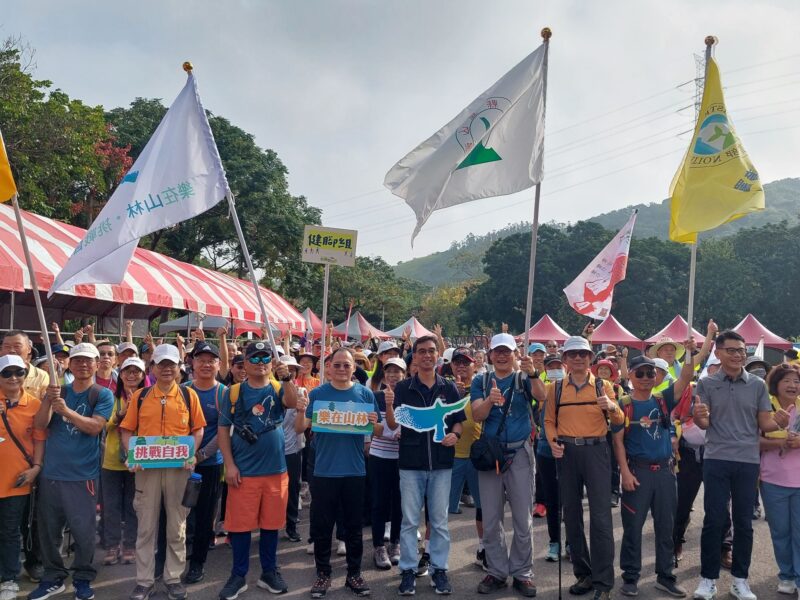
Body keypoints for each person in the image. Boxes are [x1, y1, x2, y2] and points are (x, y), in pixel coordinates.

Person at [691, 330, 790, 600]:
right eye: (732, 350)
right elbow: (704, 424)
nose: (737, 355)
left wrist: (779, 422)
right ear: (719, 352)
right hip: (716, 459)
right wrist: (699, 417)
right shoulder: (707, 384)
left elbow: (764, 424)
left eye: (741, 351)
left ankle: (740, 580)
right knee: (714, 520)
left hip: (747, 461)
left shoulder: (757, 385)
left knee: (744, 523)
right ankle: (707, 579)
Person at [120, 344, 206, 600]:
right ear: (153, 368)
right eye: (161, 364)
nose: (167, 369)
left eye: (171, 364)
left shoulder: (189, 396)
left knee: (176, 527)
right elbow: (127, 430)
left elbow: (198, 429)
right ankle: (144, 581)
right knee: (146, 526)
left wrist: (193, 452)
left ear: (179, 367)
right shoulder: (141, 396)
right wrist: (131, 455)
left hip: (178, 468)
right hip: (146, 469)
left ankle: (172, 578)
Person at [29, 343, 114, 600]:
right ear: (70, 364)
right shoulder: (58, 391)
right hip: (52, 474)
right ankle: (53, 576)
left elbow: (95, 427)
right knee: (48, 530)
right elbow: (40, 426)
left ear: (97, 364)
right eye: (77, 360)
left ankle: (83, 577)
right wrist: (48, 399)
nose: (83, 365)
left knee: (84, 532)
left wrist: (65, 410)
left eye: (88, 361)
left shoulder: (102, 394)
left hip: (83, 476)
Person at [216, 341, 298, 599]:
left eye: (266, 358)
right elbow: (222, 431)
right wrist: (229, 464)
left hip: (276, 470)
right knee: (240, 527)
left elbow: (294, 402)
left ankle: (269, 572)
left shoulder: (277, 387)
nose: (260, 363)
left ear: (272, 363)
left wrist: (286, 379)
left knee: (271, 525)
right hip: (244, 471)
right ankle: (238, 575)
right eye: (255, 358)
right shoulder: (232, 392)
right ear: (245, 363)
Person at [544, 335, 623, 600]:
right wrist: (552, 441)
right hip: (566, 451)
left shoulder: (604, 385)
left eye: (583, 354)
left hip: (597, 451)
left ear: (591, 358)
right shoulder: (555, 388)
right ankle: (584, 574)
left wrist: (611, 406)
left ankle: (603, 582)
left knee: (601, 518)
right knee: (572, 515)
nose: (578, 358)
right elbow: (549, 420)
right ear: (565, 359)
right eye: (573, 354)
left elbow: (619, 418)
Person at [384, 335, 464, 597]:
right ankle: (407, 571)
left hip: (441, 463)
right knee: (409, 521)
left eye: (431, 351)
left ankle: (439, 569)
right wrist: (388, 406)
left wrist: (456, 434)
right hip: (410, 463)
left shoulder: (449, 388)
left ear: (437, 355)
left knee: (439, 521)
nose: (427, 356)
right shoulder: (404, 388)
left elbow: (458, 421)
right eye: (422, 352)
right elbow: (394, 425)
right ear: (415, 357)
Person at [298, 347, 379, 599]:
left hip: (354, 470)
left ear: (354, 368)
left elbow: (377, 431)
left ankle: (353, 574)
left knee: (354, 527)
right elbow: (299, 428)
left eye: (347, 365)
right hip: (323, 470)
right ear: (329, 367)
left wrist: (375, 422)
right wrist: (301, 409)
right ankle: (323, 574)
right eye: (338, 364)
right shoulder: (317, 394)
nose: (342, 369)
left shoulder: (365, 394)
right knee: (323, 527)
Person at [470, 333, 544, 597]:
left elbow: (542, 396)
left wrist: (533, 373)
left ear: (515, 354)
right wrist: (490, 399)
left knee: (523, 518)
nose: (502, 356)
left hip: (520, 453)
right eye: (497, 351)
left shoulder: (523, 378)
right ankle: (497, 572)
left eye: (507, 351)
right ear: (490, 354)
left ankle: (523, 573)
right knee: (491, 519)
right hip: (492, 457)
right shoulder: (481, 380)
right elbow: (477, 414)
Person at [611, 355, 688, 598]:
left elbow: (686, 377)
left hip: (665, 472)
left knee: (666, 527)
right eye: (640, 373)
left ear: (657, 376)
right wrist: (624, 472)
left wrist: (699, 346)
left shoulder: (662, 399)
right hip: (638, 472)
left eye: (650, 373)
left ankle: (665, 576)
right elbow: (618, 442)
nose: (645, 378)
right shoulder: (623, 404)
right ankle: (631, 577)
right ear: (630, 375)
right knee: (633, 527)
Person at [0, 355, 45, 600]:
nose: (13, 378)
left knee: (10, 531)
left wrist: (36, 467)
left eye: (18, 372)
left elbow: (39, 438)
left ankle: (9, 577)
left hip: (17, 479)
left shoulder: (35, 404)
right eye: (7, 373)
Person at [182, 342, 226, 584]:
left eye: (211, 360)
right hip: (178, 463)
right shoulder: (181, 390)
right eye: (201, 359)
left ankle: (197, 563)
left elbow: (223, 434)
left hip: (209, 464)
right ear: (192, 363)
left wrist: (198, 457)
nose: (206, 364)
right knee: (179, 513)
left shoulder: (223, 393)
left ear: (219, 364)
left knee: (203, 515)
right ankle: (173, 559)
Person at [758, 364, 800, 596]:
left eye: (796, 381)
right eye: (787, 381)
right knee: (780, 532)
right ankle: (786, 575)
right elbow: (753, 441)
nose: (793, 385)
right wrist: (780, 443)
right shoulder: (765, 407)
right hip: (773, 480)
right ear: (776, 384)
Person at [102, 357, 146, 567]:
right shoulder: (111, 397)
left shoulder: (149, 398)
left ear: (143, 375)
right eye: (127, 371)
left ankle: (129, 544)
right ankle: (111, 545)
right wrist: (122, 413)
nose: (131, 375)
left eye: (136, 371)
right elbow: (106, 426)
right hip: (111, 460)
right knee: (111, 507)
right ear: (120, 374)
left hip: (137, 460)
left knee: (133, 506)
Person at [369, 356, 405, 570]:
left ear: (404, 374)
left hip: (402, 459)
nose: (393, 376)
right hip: (379, 457)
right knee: (378, 503)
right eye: (389, 371)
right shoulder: (375, 397)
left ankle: (395, 543)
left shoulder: (408, 397)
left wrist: (388, 431)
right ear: (383, 375)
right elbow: (373, 428)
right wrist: (392, 433)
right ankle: (378, 546)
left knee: (399, 503)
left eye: (397, 372)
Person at [280, 355, 305, 544]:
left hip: (293, 449)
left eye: (292, 370)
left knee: (293, 488)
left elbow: (302, 423)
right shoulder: (271, 391)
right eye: (285, 369)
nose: (289, 372)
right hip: (272, 450)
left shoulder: (302, 392)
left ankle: (291, 526)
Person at [1, 331, 49, 401]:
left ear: (29, 349)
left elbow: (46, 406)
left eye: (17, 346)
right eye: (7, 346)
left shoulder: (41, 376)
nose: (12, 350)